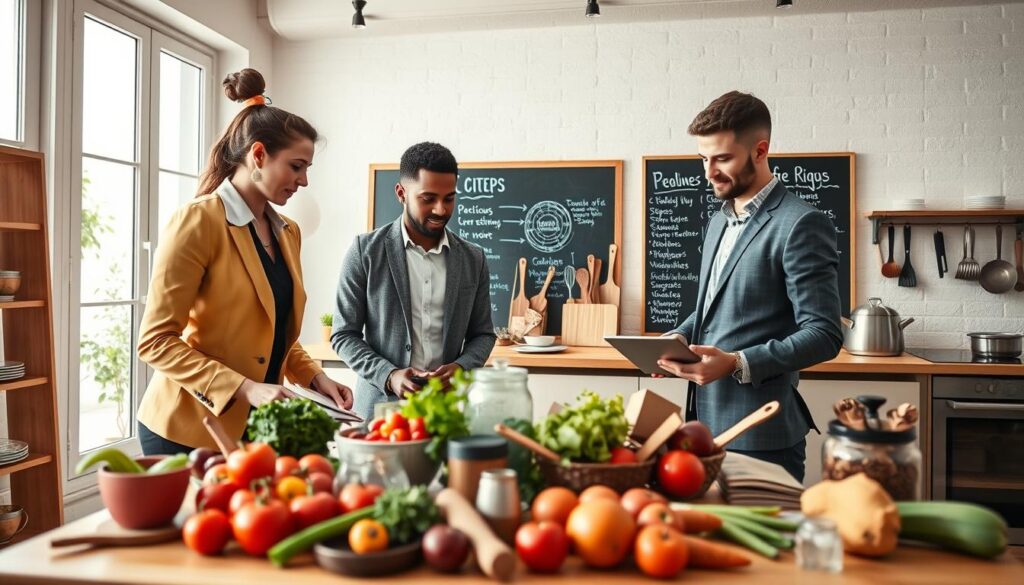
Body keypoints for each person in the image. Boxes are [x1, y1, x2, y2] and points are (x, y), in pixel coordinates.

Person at [136, 68, 353, 455]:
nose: (303, 181)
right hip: (186, 430)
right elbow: (155, 342)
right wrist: (246, 388)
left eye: (307, 169)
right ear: (258, 154)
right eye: (296, 166)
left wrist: (315, 377)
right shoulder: (198, 221)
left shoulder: (289, 231)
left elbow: (272, 332)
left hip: (254, 432)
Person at [656, 91, 843, 482]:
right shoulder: (717, 222)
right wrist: (678, 336)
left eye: (722, 158)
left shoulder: (801, 224)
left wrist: (737, 364)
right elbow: (713, 307)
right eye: (703, 159)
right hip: (700, 427)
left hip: (762, 434)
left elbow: (825, 334)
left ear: (760, 151)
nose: (709, 172)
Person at [332, 142, 496, 422]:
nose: (441, 209)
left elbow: (483, 334)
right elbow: (343, 335)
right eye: (428, 198)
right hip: (378, 414)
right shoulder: (364, 251)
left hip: (447, 412)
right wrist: (389, 375)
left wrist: (461, 367)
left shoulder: (474, 258)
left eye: (449, 198)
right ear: (401, 193)